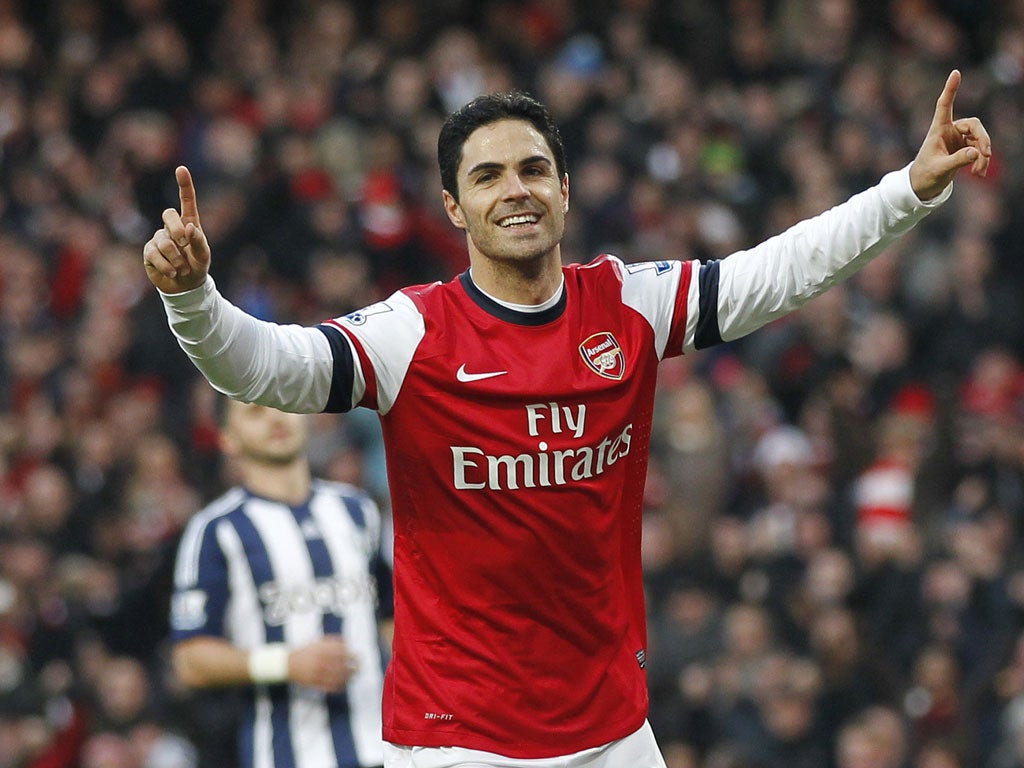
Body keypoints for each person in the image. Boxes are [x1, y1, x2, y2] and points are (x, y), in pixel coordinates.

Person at [145, 69, 990, 768]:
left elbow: (782, 272)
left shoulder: (626, 303)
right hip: (457, 740)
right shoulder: (415, 334)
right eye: (486, 176)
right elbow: (267, 369)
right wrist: (194, 299)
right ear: (452, 207)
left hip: (612, 731)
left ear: (564, 188)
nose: (515, 190)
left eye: (532, 169)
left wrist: (908, 189)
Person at [168, 396, 391, 768]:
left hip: (387, 749)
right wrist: (285, 663)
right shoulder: (216, 530)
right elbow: (190, 660)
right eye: (255, 412)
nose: (275, 417)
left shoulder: (357, 509)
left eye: (281, 404)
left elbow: (391, 616)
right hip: (287, 755)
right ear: (227, 437)